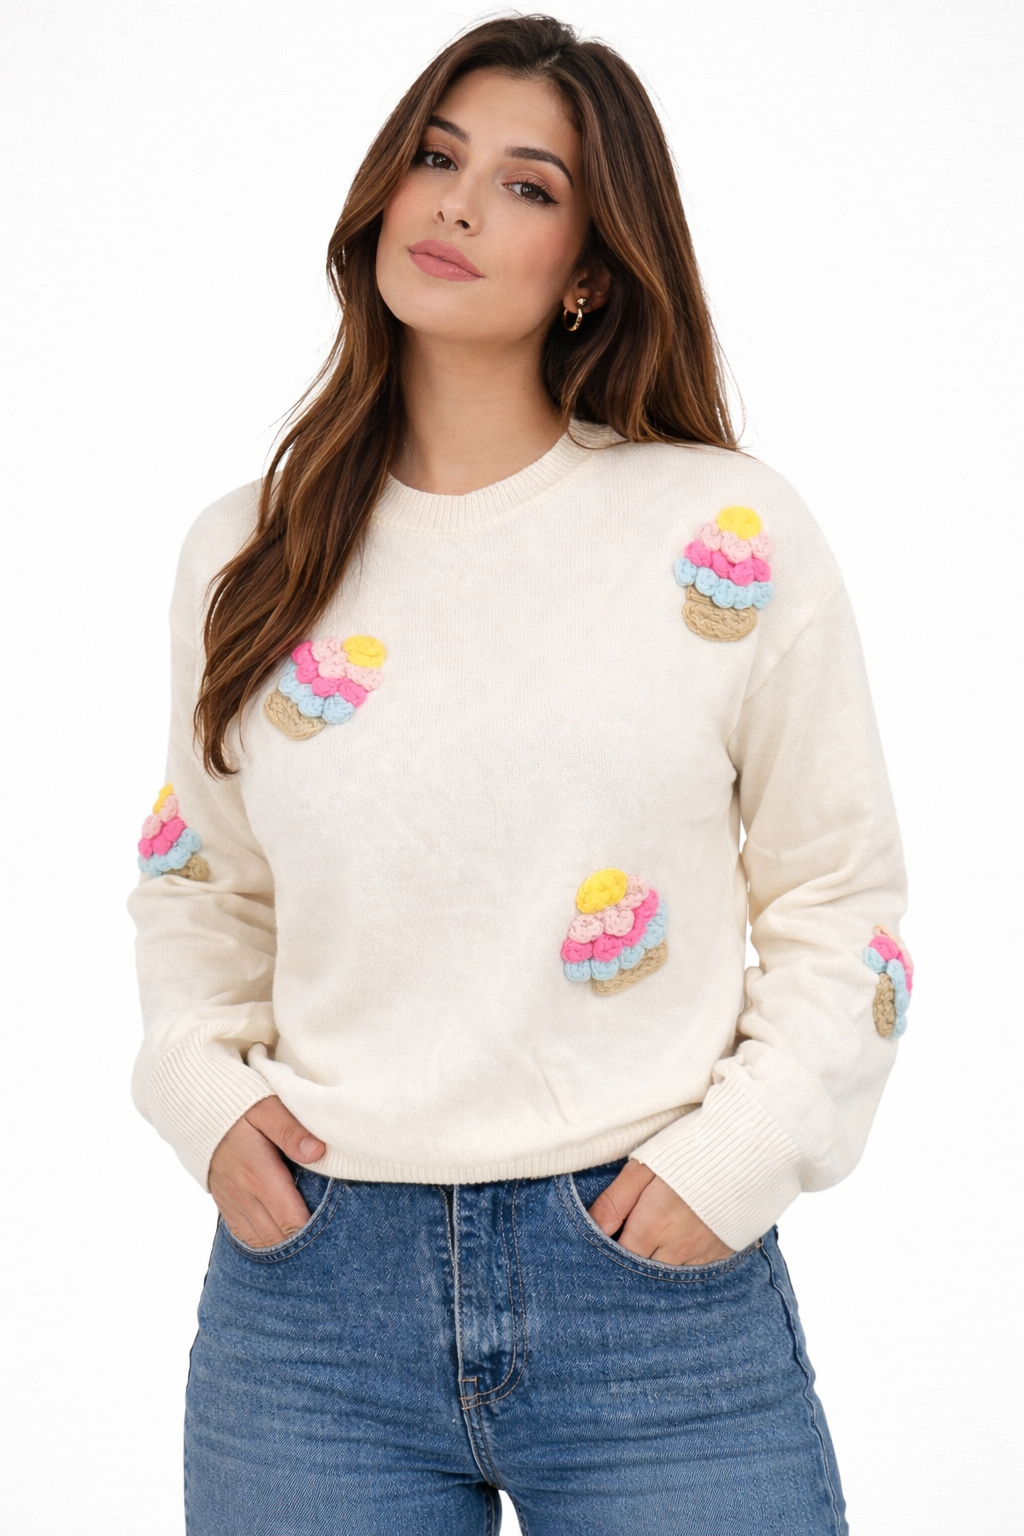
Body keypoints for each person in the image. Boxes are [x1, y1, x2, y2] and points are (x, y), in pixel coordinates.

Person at [129, 15, 910, 1535]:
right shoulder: (250, 551)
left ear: (592, 270)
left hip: (651, 1297)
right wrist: (198, 1094)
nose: (459, 203)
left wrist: (741, 1155)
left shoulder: (722, 533)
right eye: (437, 157)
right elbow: (200, 881)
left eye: (527, 184)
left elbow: (840, 895)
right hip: (311, 1311)